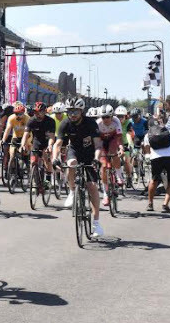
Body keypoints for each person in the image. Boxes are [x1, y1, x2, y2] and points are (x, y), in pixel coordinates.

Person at [54, 98, 104, 237]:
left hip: (89, 153)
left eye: (76, 111)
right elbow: (58, 144)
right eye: (70, 111)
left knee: (92, 186)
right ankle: (71, 191)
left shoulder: (90, 123)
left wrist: (96, 159)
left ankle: (96, 224)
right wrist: (54, 158)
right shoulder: (65, 123)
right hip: (74, 150)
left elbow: (98, 145)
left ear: (82, 111)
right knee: (71, 164)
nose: (73, 114)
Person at [145, 112, 170, 212]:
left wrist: (149, 156)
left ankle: (150, 204)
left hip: (156, 158)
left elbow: (147, 149)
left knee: (154, 179)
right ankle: (165, 204)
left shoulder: (148, 134)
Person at [21, 102, 56, 187]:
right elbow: (25, 135)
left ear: (44, 112)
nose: (37, 114)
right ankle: (35, 182)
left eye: (39, 112)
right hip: (36, 141)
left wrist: (50, 146)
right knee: (33, 162)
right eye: (35, 112)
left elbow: (51, 137)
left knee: (46, 159)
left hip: (47, 142)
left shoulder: (50, 121)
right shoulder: (31, 120)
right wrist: (23, 145)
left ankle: (48, 179)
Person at [96, 105, 123, 206]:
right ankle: (105, 194)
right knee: (103, 166)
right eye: (103, 117)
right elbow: (96, 141)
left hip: (113, 139)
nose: (105, 119)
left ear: (112, 116)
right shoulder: (98, 123)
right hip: (102, 141)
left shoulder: (116, 121)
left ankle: (119, 176)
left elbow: (119, 137)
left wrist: (121, 148)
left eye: (108, 117)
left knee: (114, 153)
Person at [1, 101, 30, 178]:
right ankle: (14, 170)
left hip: (27, 136)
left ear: (23, 113)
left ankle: (27, 163)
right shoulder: (11, 118)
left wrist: (25, 144)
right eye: (16, 114)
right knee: (12, 153)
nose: (18, 116)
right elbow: (7, 129)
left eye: (20, 114)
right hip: (16, 137)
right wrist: (3, 140)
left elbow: (28, 132)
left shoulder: (27, 118)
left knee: (24, 151)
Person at [115, 105, 135, 188]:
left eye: (122, 116)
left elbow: (129, 134)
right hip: (115, 143)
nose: (120, 118)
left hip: (126, 143)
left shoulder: (128, 123)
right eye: (118, 116)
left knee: (126, 161)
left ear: (125, 116)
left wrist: (130, 144)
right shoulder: (114, 122)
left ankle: (129, 177)